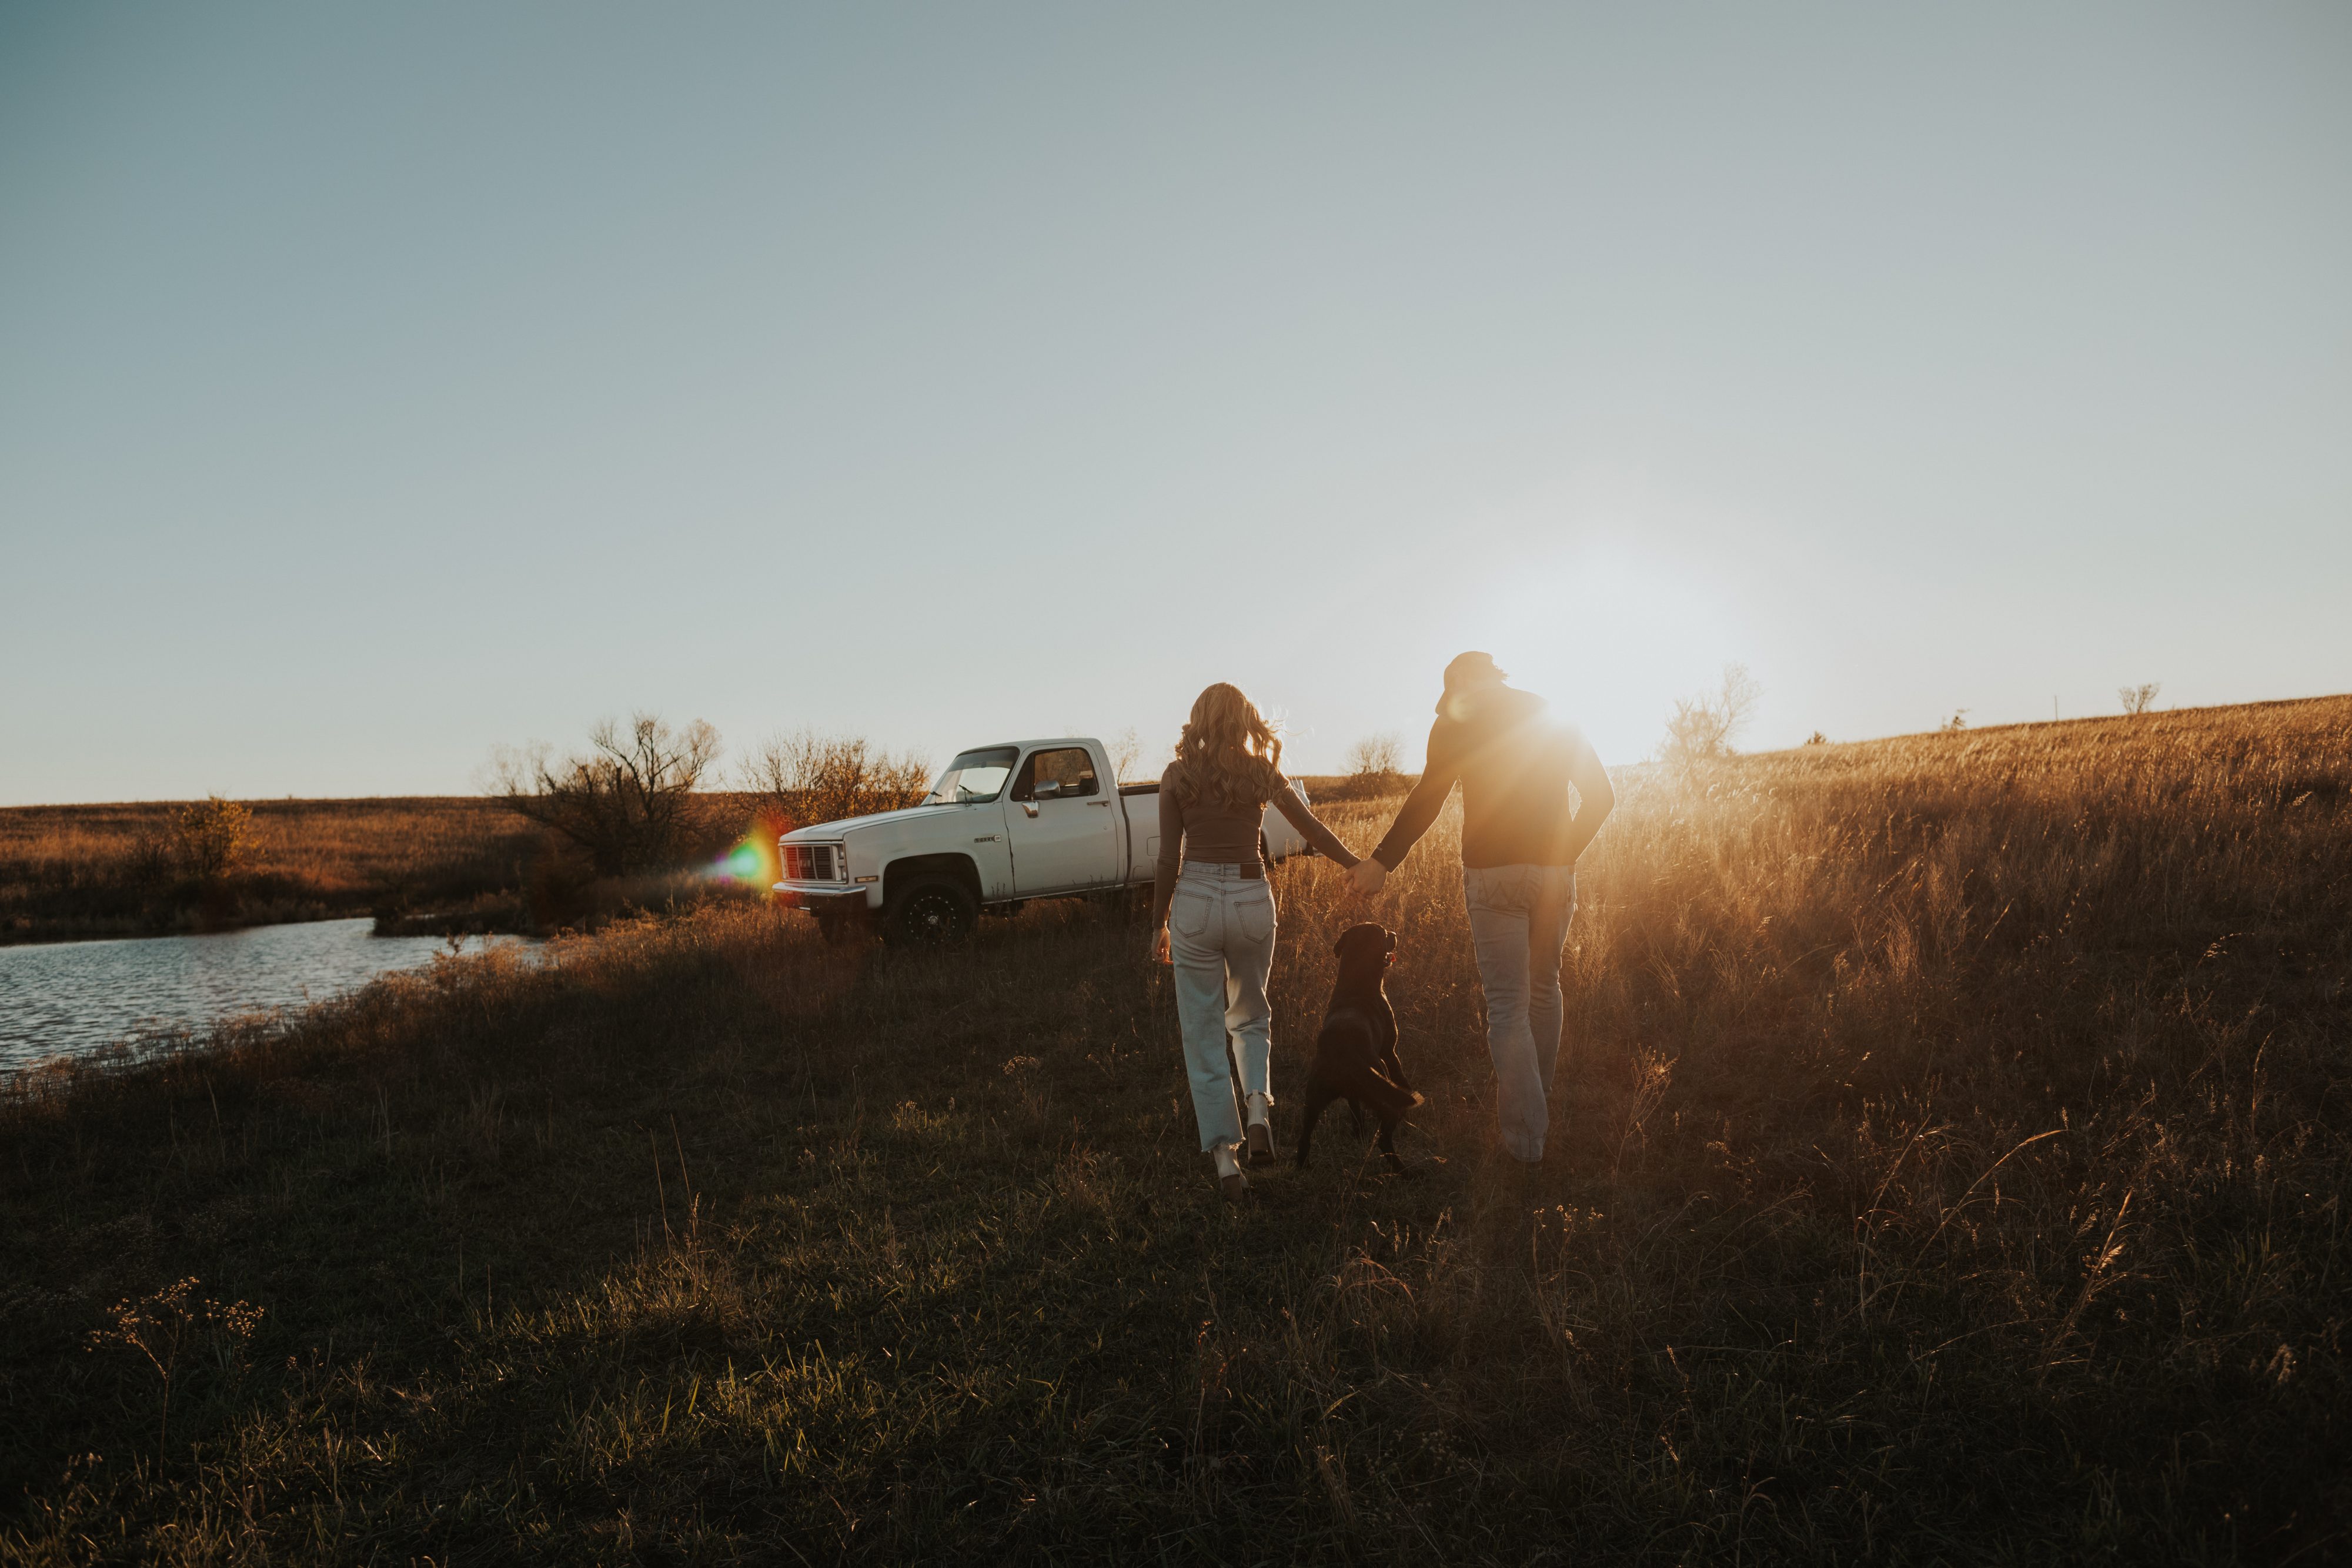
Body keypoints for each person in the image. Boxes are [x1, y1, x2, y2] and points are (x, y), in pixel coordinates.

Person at [1348, 652, 1613, 1165]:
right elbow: (1601, 797)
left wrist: (1382, 861)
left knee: (1509, 1006)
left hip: (1493, 876)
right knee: (1544, 988)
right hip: (1554, 875)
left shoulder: (1457, 721)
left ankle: (1526, 1143)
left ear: (1458, 684)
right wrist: (1561, 857)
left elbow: (1429, 797)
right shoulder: (1550, 711)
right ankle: (1536, 1104)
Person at [1151, 683, 1364, 1201]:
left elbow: (1167, 859)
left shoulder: (1177, 775)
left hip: (1196, 899)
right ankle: (1258, 1112)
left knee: (1202, 1032)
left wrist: (1158, 923)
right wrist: (1357, 864)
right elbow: (1313, 830)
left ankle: (1227, 1164)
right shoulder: (1261, 772)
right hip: (1250, 896)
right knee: (1250, 1015)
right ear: (1245, 719)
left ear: (1198, 719)